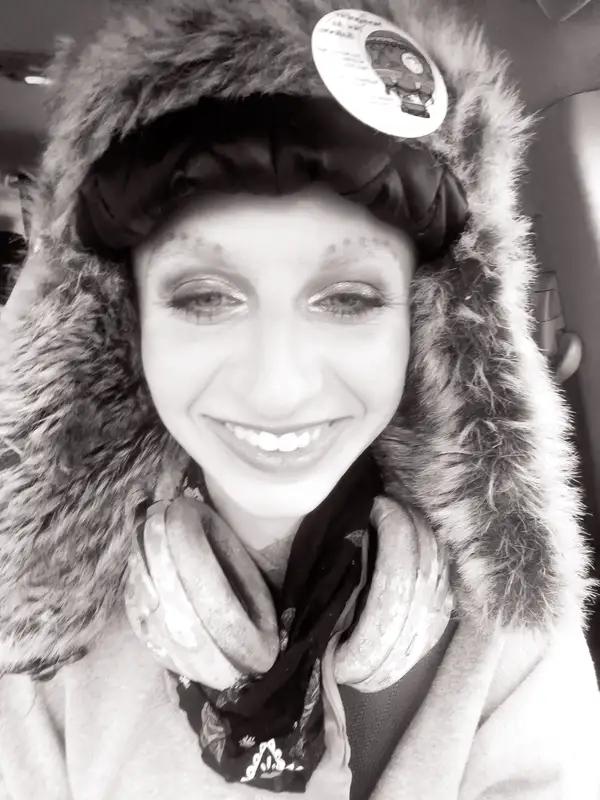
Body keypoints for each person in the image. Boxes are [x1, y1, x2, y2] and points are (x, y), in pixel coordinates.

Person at [0, 1, 598, 799]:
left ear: (428, 326)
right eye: (205, 298)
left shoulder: (508, 643)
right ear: (124, 326)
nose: (277, 386)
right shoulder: (39, 663)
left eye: (348, 299)